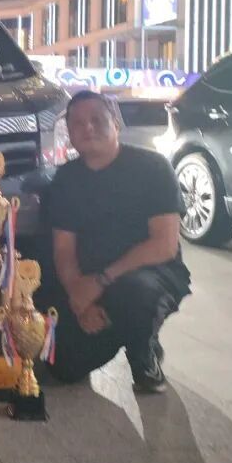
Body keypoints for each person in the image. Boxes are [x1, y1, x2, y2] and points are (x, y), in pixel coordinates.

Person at [41, 90, 191, 392]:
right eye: (78, 123)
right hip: (89, 282)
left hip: (145, 276)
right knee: (65, 366)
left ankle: (143, 353)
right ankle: (128, 329)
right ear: (70, 134)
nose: (88, 128)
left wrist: (102, 280)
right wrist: (80, 298)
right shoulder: (65, 180)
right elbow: (63, 250)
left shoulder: (153, 168)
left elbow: (164, 245)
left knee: (135, 295)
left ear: (116, 125)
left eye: (97, 120)